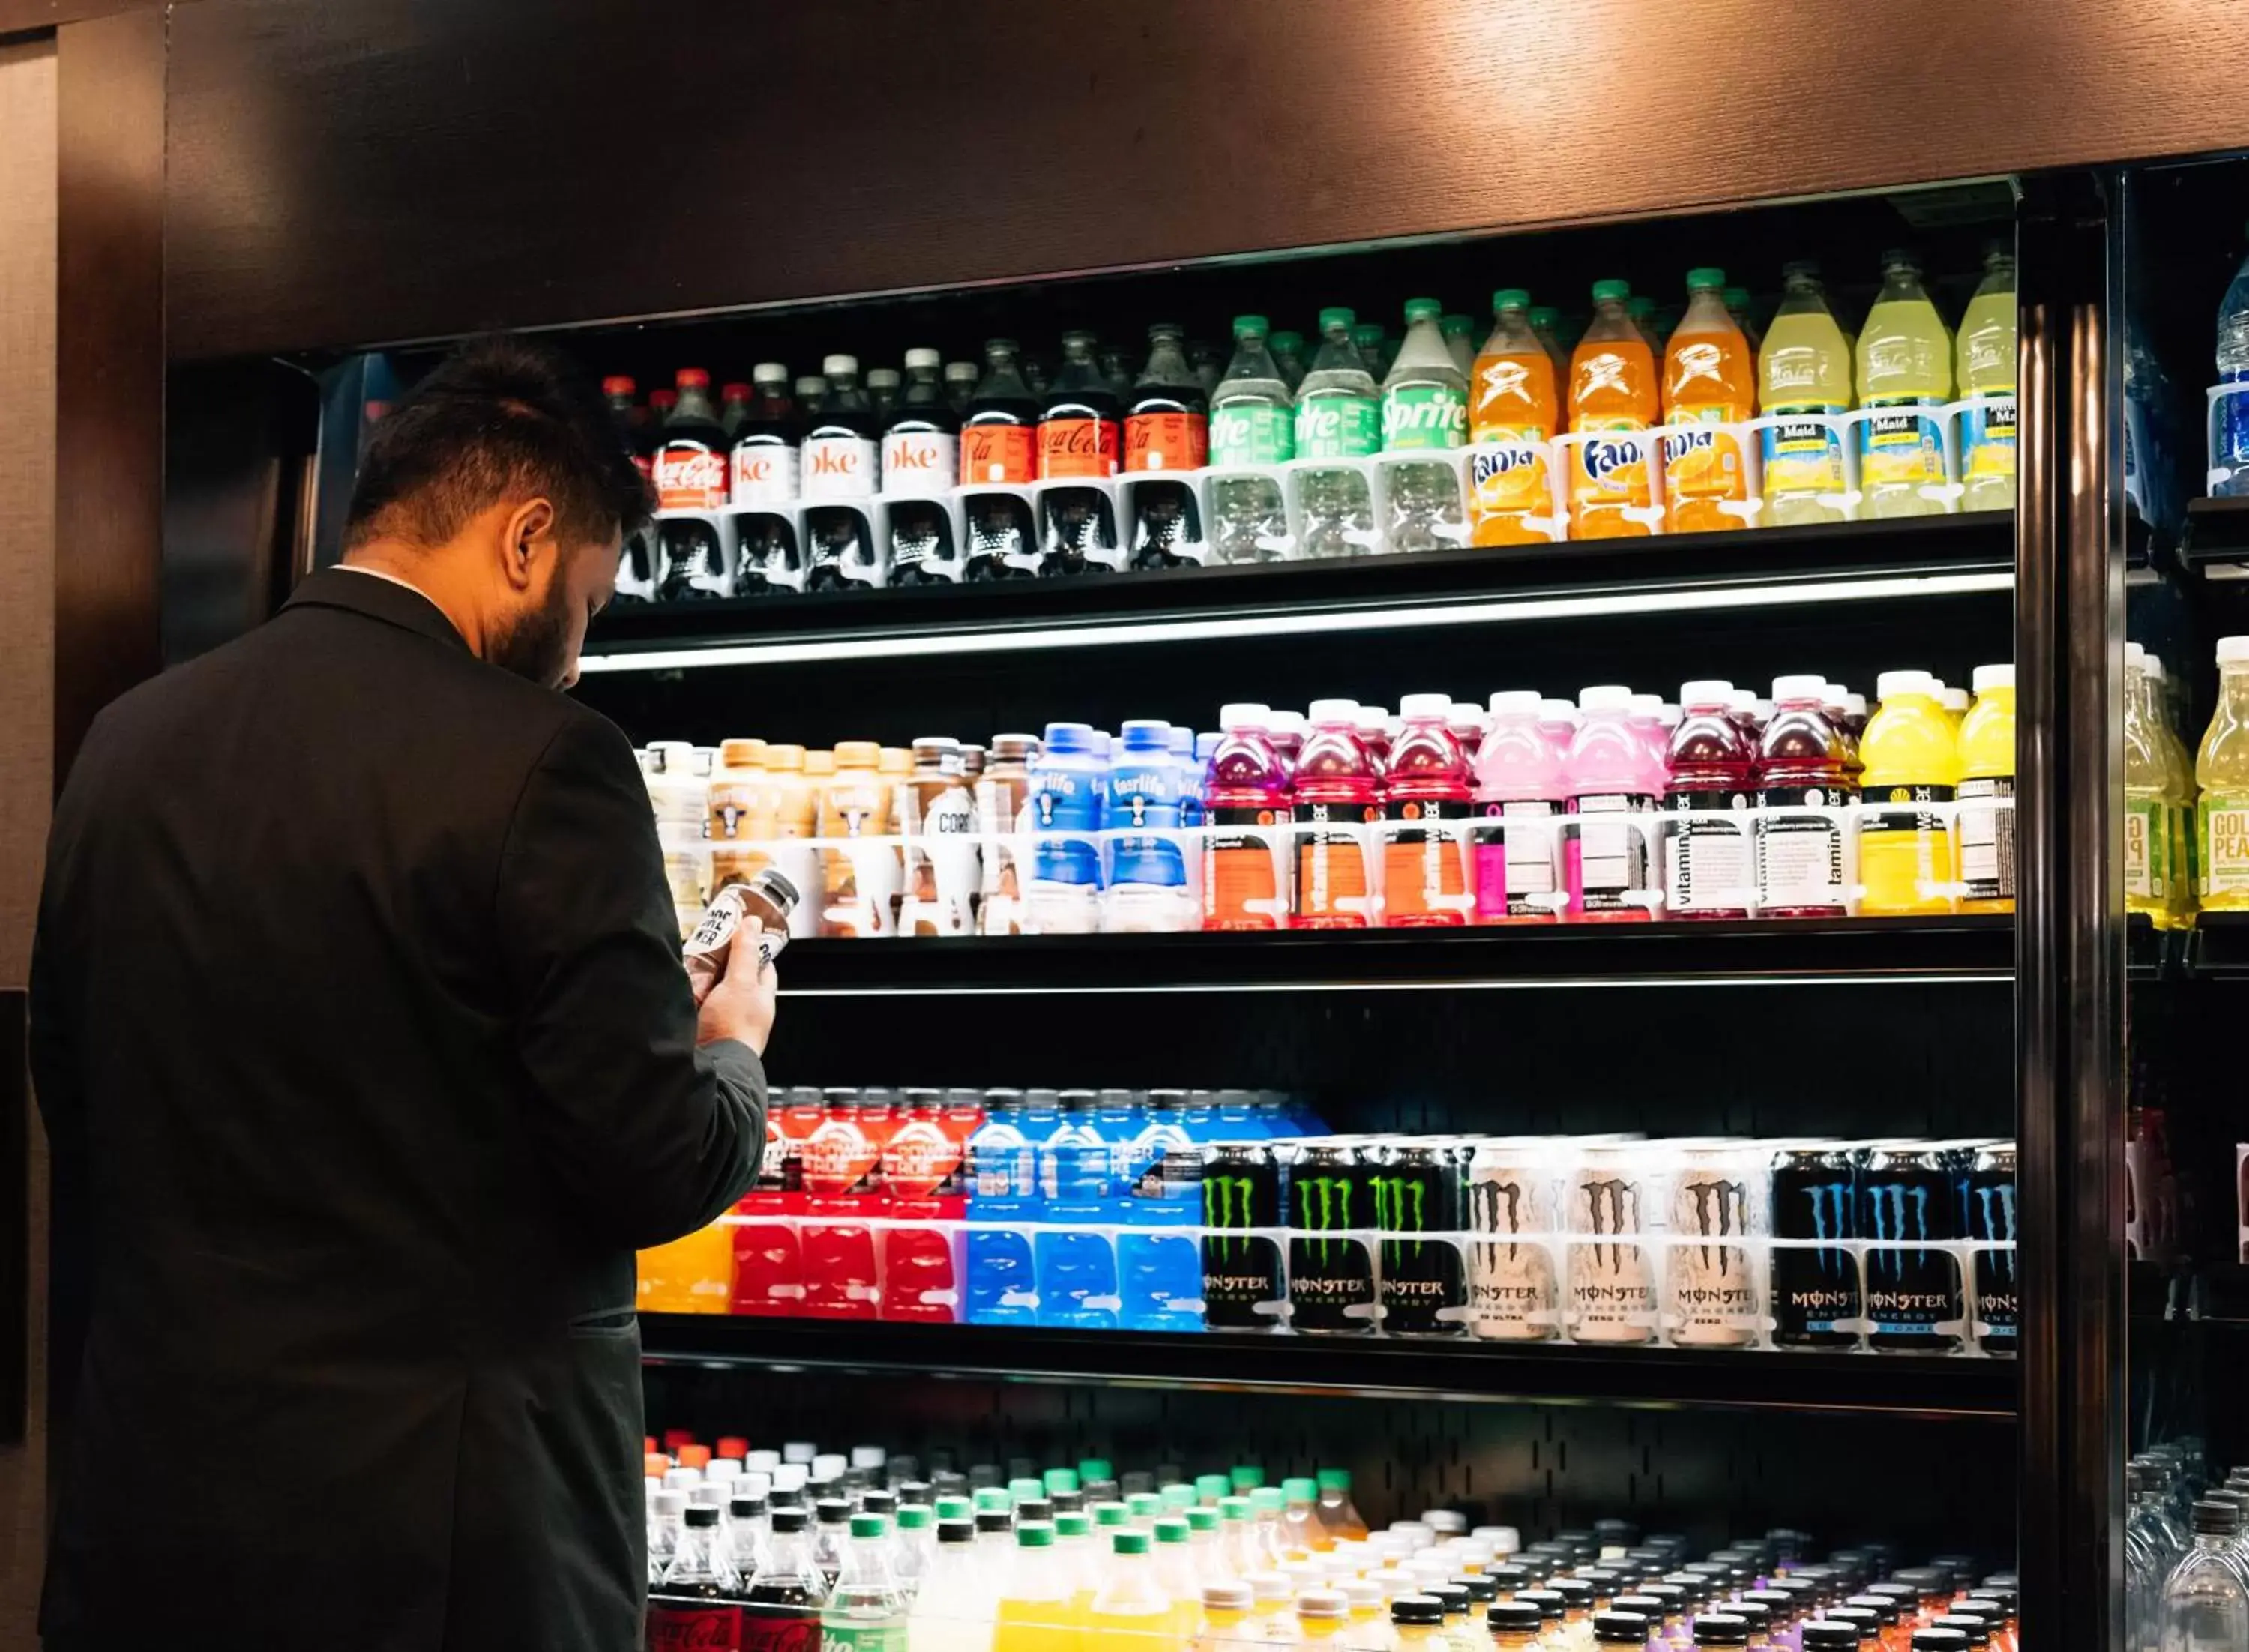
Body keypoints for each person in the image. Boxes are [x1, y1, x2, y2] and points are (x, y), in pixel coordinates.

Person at [28, 337, 772, 1652]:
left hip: (155, 1516)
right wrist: (728, 1047)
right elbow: (650, 1163)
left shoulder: (125, 743)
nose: (579, 658)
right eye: (591, 605)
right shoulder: (549, 765)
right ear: (528, 540)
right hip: (440, 1559)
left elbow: (72, 1087)